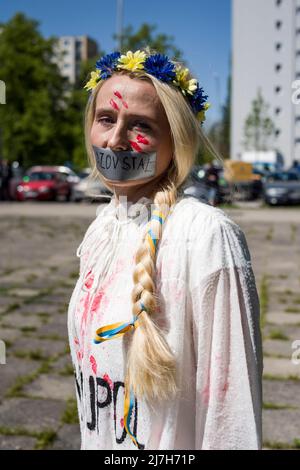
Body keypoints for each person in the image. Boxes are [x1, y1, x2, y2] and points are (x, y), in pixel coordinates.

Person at [67, 49, 263, 450]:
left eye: (140, 125)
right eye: (106, 119)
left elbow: (231, 417)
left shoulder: (207, 236)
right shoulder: (102, 229)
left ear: (177, 140)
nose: (116, 140)